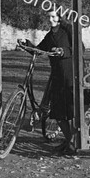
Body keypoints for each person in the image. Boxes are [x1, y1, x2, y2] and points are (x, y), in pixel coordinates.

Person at [27, 10, 76, 155]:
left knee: (72, 110)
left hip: (70, 74)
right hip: (57, 76)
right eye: (49, 17)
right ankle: (69, 142)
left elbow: (81, 48)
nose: (51, 19)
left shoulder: (68, 31)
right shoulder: (50, 35)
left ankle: (73, 144)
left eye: (53, 16)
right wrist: (27, 44)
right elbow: (39, 50)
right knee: (58, 111)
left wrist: (63, 51)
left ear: (60, 18)